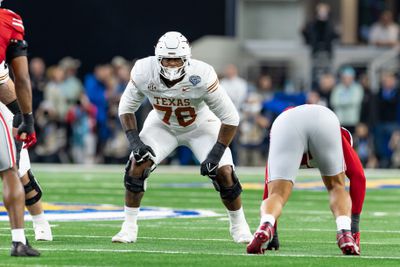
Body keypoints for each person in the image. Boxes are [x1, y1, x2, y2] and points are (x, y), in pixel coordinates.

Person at [113, 31, 252, 244]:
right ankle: (128, 228)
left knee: (224, 174)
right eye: (167, 59)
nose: (171, 64)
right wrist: (135, 143)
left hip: (201, 126)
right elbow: (126, 107)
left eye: (176, 59)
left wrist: (215, 155)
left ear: (186, 59)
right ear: (158, 58)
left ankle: (239, 226)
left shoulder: (202, 74)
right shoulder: (143, 70)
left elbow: (231, 118)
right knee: (136, 167)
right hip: (162, 125)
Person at [247, 104, 360, 255]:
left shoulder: (288, 123)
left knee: (278, 194)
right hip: (323, 119)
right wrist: (354, 229)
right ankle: (344, 232)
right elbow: (358, 176)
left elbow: (269, 186)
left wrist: (273, 231)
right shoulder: (338, 136)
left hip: (286, 123)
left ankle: (265, 224)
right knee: (337, 187)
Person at [0, 2, 40, 256]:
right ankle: (18, 241)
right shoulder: (8, 20)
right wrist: (26, 116)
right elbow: (22, 78)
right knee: (9, 171)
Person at [0, 102, 53, 241]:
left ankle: (40, 222)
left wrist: (25, 119)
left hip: (6, 112)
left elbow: (16, 89)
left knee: (19, 173)